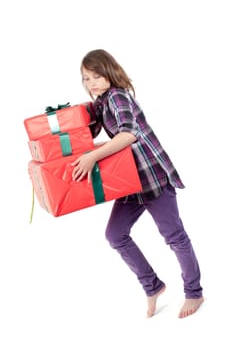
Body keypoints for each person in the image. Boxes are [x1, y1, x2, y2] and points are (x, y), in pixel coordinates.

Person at [71, 49, 204, 318]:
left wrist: (93, 156)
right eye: (86, 78)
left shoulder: (118, 96)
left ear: (110, 72)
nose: (92, 83)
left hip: (152, 176)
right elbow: (83, 134)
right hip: (130, 182)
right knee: (115, 234)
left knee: (174, 236)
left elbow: (128, 134)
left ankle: (194, 293)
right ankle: (152, 286)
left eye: (97, 76)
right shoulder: (101, 103)